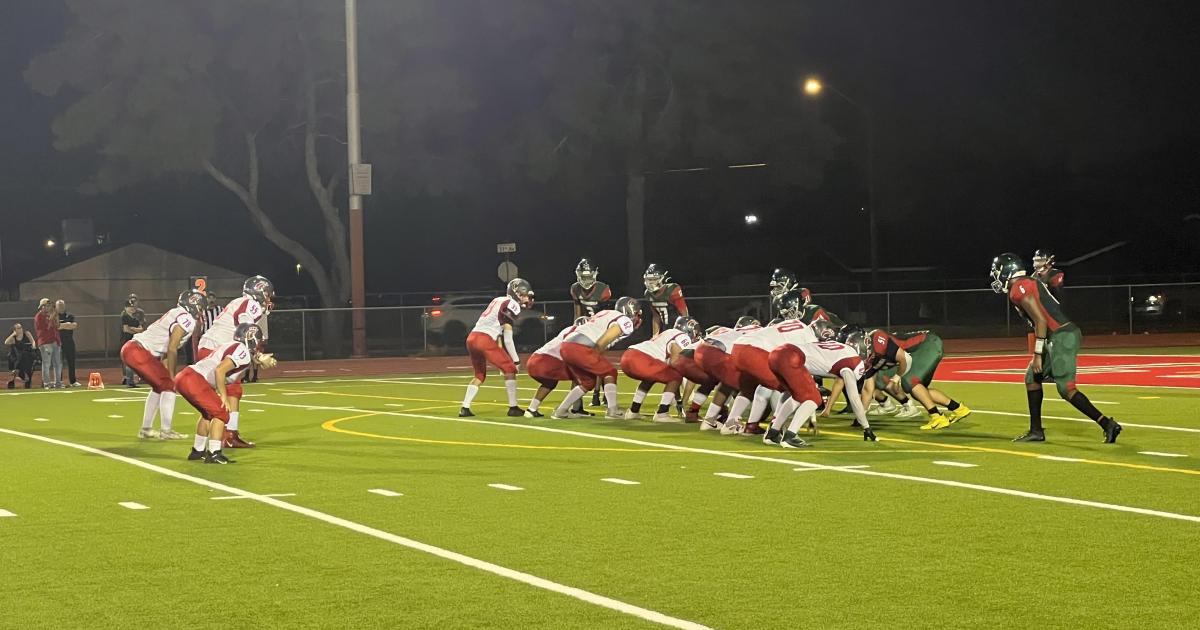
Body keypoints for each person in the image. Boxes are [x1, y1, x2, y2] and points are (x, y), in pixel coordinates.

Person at [990, 253, 1122, 443]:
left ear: (1006, 272)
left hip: (1061, 335)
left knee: (1066, 388)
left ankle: (1107, 424)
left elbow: (1041, 321)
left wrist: (1037, 353)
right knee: (1032, 378)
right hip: (1055, 335)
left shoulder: (1018, 289)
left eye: (997, 272)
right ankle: (1036, 431)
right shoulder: (1025, 283)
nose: (995, 276)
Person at [197, 276, 274, 448]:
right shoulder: (251, 304)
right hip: (216, 349)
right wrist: (259, 356)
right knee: (224, 395)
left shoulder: (240, 301)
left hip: (211, 347)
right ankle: (224, 438)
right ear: (260, 292)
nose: (268, 298)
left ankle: (223, 437)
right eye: (267, 294)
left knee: (232, 390)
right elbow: (245, 330)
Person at [121, 290, 208, 440]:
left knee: (160, 386)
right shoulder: (186, 318)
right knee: (168, 385)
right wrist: (172, 377)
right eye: (200, 307)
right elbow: (172, 348)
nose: (201, 311)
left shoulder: (177, 313)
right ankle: (166, 431)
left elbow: (166, 351)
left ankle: (146, 429)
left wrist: (167, 373)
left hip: (133, 349)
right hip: (138, 351)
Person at [177, 323, 270, 464]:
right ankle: (214, 453)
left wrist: (258, 359)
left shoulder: (235, 346)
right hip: (194, 379)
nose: (259, 346)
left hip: (186, 377)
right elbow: (219, 370)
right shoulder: (242, 350)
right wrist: (224, 396)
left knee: (207, 414)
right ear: (251, 338)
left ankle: (198, 451)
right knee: (222, 413)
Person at [859, 328, 971, 431]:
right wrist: (861, 415)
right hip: (923, 348)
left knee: (910, 382)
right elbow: (868, 389)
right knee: (920, 391)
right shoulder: (871, 353)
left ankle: (937, 417)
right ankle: (958, 409)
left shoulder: (878, 340)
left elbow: (905, 359)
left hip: (927, 344)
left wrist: (896, 378)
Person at [553, 297, 641, 419]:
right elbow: (603, 341)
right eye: (636, 313)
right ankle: (612, 410)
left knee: (588, 382)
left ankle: (561, 411)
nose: (637, 317)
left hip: (566, 345)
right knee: (610, 372)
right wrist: (594, 354)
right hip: (581, 347)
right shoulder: (624, 320)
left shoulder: (606, 313)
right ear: (630, 311)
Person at [459, 278, 535, 418]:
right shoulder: (512, 304)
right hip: (484, 339)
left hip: (472, 338)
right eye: (524, 295)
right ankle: (513, 407)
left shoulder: (498, 300)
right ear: (516, 293)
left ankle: (465, 407)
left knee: (479, 375)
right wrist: (516, 360)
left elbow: (497, 330)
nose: (526, 299)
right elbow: (508, 338)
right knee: (510, 369)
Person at [620, 316, 698, 421]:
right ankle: (662, 413)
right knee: (676, 376)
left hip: (628, 356)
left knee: (650, 378)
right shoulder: (682, 336)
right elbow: (675, 362)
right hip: (641, 358)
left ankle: (633, 411)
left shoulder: (668, 332)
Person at [524, 317, 588, 418]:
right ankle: (570, 409)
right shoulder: (578, 334)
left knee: (550, 382)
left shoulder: (568, 330)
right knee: (579, 376)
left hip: (535, 359)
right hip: (547, 361)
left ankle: (531, 409)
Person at [570, 258, 612, 409]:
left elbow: (605, 315)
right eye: (583, 277)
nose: (586, 280)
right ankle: (584, 402)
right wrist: (575, 328)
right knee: (581, 364)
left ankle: (598, 395)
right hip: (584, 330)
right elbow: (577, 312)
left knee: (599, 361)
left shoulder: (603, 290)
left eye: (589, 277)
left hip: (601, 329)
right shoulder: (575, 288)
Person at [643, 264, 688, 336]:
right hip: (665, 330)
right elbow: (656, 316)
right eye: (649, 279)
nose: (651, 282)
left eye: (654, 279)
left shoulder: (672, 290)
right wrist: (655, 336)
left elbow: (684, 313)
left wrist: (685, 331)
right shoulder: (648, 294)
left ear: (662, 279)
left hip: (679, 328)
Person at [34, 298, 62, 389]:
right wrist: (52, 316)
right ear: (42, 306)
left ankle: (58, 383)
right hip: (45, 342)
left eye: (49, 305)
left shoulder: (49, 315)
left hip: (55, 341)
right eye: (47, 305)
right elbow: (47, 327)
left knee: (58, 363)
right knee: (47, 363)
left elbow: (57, 326)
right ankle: (47, 384)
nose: (49, 307)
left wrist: (56, 317)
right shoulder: (39, 316)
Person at [119, 298, 144, 387]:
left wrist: (132, 329)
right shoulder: (124, 317)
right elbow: (126, 329)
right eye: (129, 307)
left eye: (132, 307)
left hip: (133, 341)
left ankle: (131, 381)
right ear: (125, 308)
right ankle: (129, 381)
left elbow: (141, 329)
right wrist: (135, 330)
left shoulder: (135, 319)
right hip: (126, 341)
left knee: (133, 361)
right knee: (128, 362)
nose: (131, 308)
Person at [55, 299, 80, 386]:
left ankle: (73, 381)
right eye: (59, 305)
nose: (61, 307)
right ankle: (59, 381)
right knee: (59, 363)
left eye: (62, 305)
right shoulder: (54, 316)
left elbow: (74, 326)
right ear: (56, 307)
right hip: (58, 343)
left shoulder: (70, 315)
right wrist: (67, 325)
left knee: (71, 362)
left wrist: (62, 325)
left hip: (69, 342)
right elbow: (56, 327)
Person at [5, 323, 37, 389]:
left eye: (21, 327)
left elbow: (33, 341)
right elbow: (6, 342)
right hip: (18, 357)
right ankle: (21, 374)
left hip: (28, 354)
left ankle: (20, 373)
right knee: (22, 357)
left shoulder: (27, 333)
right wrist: (13, 334)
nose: (20, 329)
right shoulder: (14, 338)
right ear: (15, 330)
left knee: (26, 357)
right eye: (18, 328)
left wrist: (33, 346)